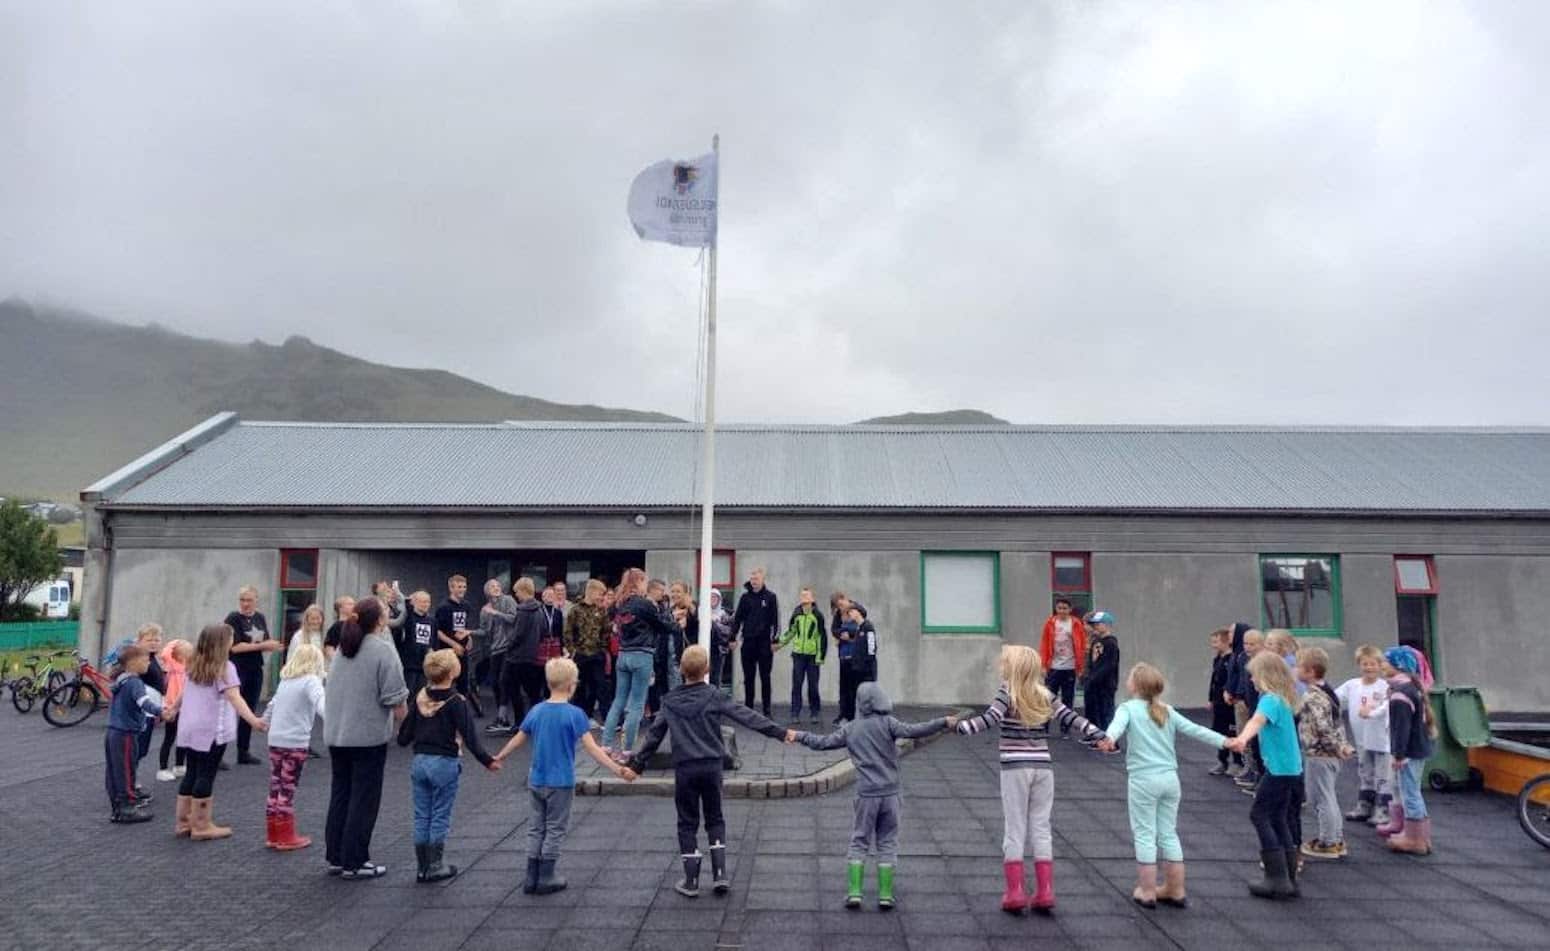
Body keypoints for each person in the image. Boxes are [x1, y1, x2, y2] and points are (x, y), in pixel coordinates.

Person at [628, 645, 790, 898]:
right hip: (712, 765)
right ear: (707, 669)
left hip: (685, 768)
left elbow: (654, 736)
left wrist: (637, 765)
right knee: (715, 818)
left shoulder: (669, 701)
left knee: (687, 821)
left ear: (681, 670)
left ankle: (691, 880)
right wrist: (779, 732)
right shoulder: (714, 695)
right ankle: (720, 874)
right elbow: (746, 716)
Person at [957, 645, 1105, 914]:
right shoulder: (1044, 693)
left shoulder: (1007, 692)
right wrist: (1098, 733)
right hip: (1043, 768)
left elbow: (989, 719)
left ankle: (1015, 892)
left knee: (1015, 828)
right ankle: (1045, 891)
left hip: (1015, 768)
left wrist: (960, 727)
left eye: (1004, 663)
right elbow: (1070, 716)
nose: (1001, 667)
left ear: (1011, 668)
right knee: (1041, 826)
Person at [797, 683, 956, 911]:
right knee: (887, 841)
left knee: (859, 840)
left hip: (866, 794)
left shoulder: (850, 728)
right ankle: (885, 895)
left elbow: (823, 743)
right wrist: (943, 721)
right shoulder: (888, 723)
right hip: (891, 793)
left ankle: (854, 893)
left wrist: (799, 735)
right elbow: (915, 730)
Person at [494, 657, 634, 895]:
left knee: (536, 827)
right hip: (561, 782)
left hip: (536, 779)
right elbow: (592, 749)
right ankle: (547, 876)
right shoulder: (575, 715)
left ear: (549, 682)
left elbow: (519, 738)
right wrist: (617, 769)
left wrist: (500, 756)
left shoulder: (537, 710)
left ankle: (531, 876)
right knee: (555, 828)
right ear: (572, 684)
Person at [1096, 663, 1227, 909]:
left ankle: (1147, 891)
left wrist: (1109, 739)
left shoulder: (1128, 708)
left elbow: (1116, 727)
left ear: (1135, 685)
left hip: (1144, 780)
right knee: (1168, 833)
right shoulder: (1167, 710)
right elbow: (1197, 730)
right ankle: (1175, 889)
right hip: (1170, 780)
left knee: (1145, 834)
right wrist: (1226, 742)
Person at [324, 597, 409, 880]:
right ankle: (356, 860)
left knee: (341, 794)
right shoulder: (382, 650)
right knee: (364, 799)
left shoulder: (343, 649)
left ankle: (336, 856)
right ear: (381, 620)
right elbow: (395, 698)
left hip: (337, 734)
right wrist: (409, 727)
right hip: (367, 736)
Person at [397, 648, 500, 883]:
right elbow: (470, 737)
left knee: (422, 815)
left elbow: (403, 736)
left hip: (420, 761)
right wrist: (488, 761)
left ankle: (422, 867)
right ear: (453, 672)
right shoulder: (456, 701)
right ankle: (436, 865)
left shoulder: (420, 697)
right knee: (440, 814)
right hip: (444, 761)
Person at [175, 623, 270, 840]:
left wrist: (173, 708)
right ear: (223, 643)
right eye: (231, 638)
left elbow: (184, 691)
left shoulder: (194, 664)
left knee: (192, 771)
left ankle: (183, 822)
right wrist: (253, 720)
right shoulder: (225, 668)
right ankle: (201, 825)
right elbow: (235, 697)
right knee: (206, 773)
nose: (233, 641)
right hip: (212, 729)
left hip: (190, 726)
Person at [1224, 652, 1304, 900]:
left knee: (1259, 815)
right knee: (1278, 817)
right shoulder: (1284, 699)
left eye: (1254, 676)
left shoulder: (1269, 700)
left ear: (1265, 676)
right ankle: (1289, 878)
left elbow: (1256, 721)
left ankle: (1276, 878)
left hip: (1279, 770)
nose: (1251, 680)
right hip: (1291, 769)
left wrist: (1241, 739)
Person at [601, 569, 680, 758]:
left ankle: (606, 745)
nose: (646, 585)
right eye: (644, 581)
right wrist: (677, 624)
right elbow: (662, 626)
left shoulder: (619, 603)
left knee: (618, 701)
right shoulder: (644, 604)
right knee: (636, 704)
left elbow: (613, 626)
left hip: (623, 654)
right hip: (642, 655)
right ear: (639, 581)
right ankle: (627, 750)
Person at [262, 643, 327, 851]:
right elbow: (321, 703)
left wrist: (264, 721)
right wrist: (334, 720)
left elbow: (272, 704)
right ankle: (285, 836)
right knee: (288, 787)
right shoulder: (311, 681)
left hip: (276, 739)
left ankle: (273, 833)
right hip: (295, 742)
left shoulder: (286, 681)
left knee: (275, 785)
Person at [1294, 646, 1354, 860]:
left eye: (1298, 666)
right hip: (1327, 753)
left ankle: (1329, 842)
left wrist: (1338, 747)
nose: (1295, 670)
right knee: (1327, 796)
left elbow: (1323, 727)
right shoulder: (1328, 692)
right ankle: (1334, 838)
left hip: (1320, 754)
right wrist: (1341, 745)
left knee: (1321, 798)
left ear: (1310, 671)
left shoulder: (1313, 697)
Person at [1381, 645, 1437, 856]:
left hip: (1409, 752)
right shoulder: (1413, 688)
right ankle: (1420, 836)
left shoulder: (1400, 695)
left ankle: (1415, 839)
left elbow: (1400, 728)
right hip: (1418, 748)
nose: (1382, 665)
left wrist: (1398, 754)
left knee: (1410, 793)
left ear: (1398, 665)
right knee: (1412, 791)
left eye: (1386, 662)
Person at [224, 585, 282, 765]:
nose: (245, 604)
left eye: (249, 600)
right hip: (236, 668)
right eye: (242, 600)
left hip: (255, 668)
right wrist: (263, 646)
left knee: (249, 709)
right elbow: (235, 647)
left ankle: (243, 751)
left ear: (257, 600)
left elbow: (264, 640)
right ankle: (217, 753)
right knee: (228, 709)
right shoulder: (233, 618)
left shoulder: (260, 618)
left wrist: (272, 645)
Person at [105, 645, 163, 823]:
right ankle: (127, 808)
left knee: (114, 770)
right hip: (126, 734)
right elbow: (144, 703)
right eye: (146, 660)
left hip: (113, 732)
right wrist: (161, 711)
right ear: (134, 662)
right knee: (126, 770)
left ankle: (117, 808)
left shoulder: (121, 679)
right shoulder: (135, 682)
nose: (149, 664)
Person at [1337, 644, 1393, 826]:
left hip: (1382, 739)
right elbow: (1334, 698)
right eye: (1365, 664)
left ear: (1379, 665)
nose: (1369, 668)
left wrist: (1373, 710)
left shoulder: (1385, 687)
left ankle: (1383, 807)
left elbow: (1387, 707)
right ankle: (1365, 804)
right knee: (1364, 771)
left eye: (1372, 664)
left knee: (1383, 773)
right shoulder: (1352, 685)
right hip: (1361, 739)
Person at [730, 567, 780, 717]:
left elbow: (776, 620)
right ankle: (749, 709)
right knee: (748, 678)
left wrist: (775, 640)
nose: (754, 582)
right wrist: (732, 638)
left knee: (765, 677)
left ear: (763, 580)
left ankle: (767, 710)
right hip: (748, 642)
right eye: (752, 579)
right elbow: (737, 619)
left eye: (756, 579)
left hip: (764, 644)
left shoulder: (771, 597)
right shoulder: (745, 598)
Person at [776, 587, 828, 724]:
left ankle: (815, 712)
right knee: (797, 685)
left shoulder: (817, 616)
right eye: (802, 596)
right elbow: (791, 631)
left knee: (813, 685)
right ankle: (795, 713)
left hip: (812, 656)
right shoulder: (796, 614)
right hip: (798, 655)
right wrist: (780, 643)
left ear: (812, 599)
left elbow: (822, 637)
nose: (804, 599)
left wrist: (820, 657)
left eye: (807, 596)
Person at [563, 579, 612, 723]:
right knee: (579, 687)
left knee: (599, 686)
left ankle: (601, 717)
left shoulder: (601, 610)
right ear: (591, 591)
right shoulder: (575, 609)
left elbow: (605, 631)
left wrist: (602, 648)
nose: (601, 597)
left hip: (596, 654)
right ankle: (580, 717)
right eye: (600, 593)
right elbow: (568, 632)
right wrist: (573, 651)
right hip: (580, 654)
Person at [501, 578, 548, 727]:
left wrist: (509, 646)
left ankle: (519, 722)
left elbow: (518, 634)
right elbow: (544, 631)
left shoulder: (522, 610)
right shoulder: (540, 610)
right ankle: (537, 721)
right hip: (533, 656)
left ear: (523, 590)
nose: (516, 595)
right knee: (533, 692)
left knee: (513, 689)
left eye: (517, 592)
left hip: (516, 657)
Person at [1038, 598, 1087, 736]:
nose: (1062, 611)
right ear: (1056, 609)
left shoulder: (1076, 624)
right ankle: (1044, 727)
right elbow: (1044, 645)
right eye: (1059, 608)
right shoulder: (1050, 623)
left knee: (1068, 699)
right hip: (1053, 667)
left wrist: (1081, 667)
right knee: (1048, 698)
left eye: (1065, 608)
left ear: (1070, 609)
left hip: (1070, 667)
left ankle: (1065, 728)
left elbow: (1082, 646)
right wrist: (1043, 665)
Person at [1226, 626, 1265, 790]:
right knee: (1248, 739)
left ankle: (1260, 774)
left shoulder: (1263, 661)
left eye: (1252, 644)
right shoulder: (1242, 658)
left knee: (1259, 742)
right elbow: (1239, 678)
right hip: (1247, 702)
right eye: (1246, 644)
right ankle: (1252, 769)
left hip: (1259, 706)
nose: (1247, 647)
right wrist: (1236, 693)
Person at [435, 576, 481, 717]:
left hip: (462, 651)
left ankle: (461, 713)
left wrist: (469, 638)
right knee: (446, 682)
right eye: (459, 587)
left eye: (464, 587)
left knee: (463, 682)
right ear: (451, 588)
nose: (462, 590)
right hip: (447, 651)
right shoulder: (444, 607)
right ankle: (443, 712)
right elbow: (438, 632)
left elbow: (463, 626)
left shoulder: (466, 606)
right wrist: (453, 644)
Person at [480, 580, 520, 733]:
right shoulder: (485, 609)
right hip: (494, 649)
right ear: (487, 591)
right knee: (495, 683)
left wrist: (496, 613)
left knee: (504, 681)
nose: (496, 588)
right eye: (492, 586)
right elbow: (484, 631)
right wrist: (469, 632)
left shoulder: (508, 600)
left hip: (508, 648)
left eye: (498, 586)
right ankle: (502, 718)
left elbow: (514, 618)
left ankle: (503, 717)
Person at [132, 624, 167, 798]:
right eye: (149, 640)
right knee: (136, 750)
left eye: (157, 639)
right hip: (141, 713)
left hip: (151, 712)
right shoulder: (139, 659)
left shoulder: (152, 658)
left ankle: (132, 782)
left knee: (142, 749)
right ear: (139, 641)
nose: (154, 643)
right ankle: (129, 785)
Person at [1080, 610, 1120, 748]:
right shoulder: (1096, 641)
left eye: (1098, 624)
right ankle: (1099, 738)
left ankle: (1111, 742)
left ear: (1107, 625)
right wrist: (1088, 677)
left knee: (1106, 713)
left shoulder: (1111, 643)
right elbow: (1092, 662)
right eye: (1094, 624)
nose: (1095, 627)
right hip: (1094, 683)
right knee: (1097, 712)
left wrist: (1095, 678)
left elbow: (1109, 665)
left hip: (1106, 684)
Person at [154, 639, 193, 782]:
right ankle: (163, 768)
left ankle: (179, 765)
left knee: (184, 737)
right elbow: (165, 652)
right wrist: (178, 642)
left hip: (186, 707)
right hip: (172, 705)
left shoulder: (190, 668)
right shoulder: (172, 665)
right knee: (169, 738)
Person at [1206, 626, 1241, 776]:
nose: (1213, 645)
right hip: (1219, 703)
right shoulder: (1218, 659)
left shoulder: (1233, 659)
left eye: (1216, 642)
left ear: (1226, 642)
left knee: (1232, 731)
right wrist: (1211, 699)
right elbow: (1214, 681)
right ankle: (1222, 760)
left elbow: (1233, 680)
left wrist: (1232, 694)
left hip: (1229, 703)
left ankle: (1237, 762)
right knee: (1219, 732)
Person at [835, 605, 879, 723]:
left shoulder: (868, 627)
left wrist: (866, 665)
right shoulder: (859, 628)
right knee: (856, 696)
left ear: (858, 612)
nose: (850, 614)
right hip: (858, 670)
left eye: (852, 611)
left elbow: (872, 649)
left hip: (867, 671)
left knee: (867, 698)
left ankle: (870, 722)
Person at [399, 591, 436, 703]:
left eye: (428, 602)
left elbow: (434, 641)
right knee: (408, 695)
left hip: (424, 666)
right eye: (423, 602)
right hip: (409, 665)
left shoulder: (432, 621)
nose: (426, 604)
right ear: (415, 602)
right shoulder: (409, 618)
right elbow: (406, 606)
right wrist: (408, 600)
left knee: (421, 696)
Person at [705, 588, 734, 697]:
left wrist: (714, 625)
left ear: (719, 599)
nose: (712, 599)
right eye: (710, 597)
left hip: (719, 650)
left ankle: (715, 699)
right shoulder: (702, 612)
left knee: (716, 677)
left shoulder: (724, 614)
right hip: (704, 650)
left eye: (715, 597)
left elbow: (727, 632)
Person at [323, 595, 357, 665]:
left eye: (354, 604)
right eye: (350, 604)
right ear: (340, 608)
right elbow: (329, 647)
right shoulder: (336, 627)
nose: (354, 606)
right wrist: (337, 662)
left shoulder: (357, 625)